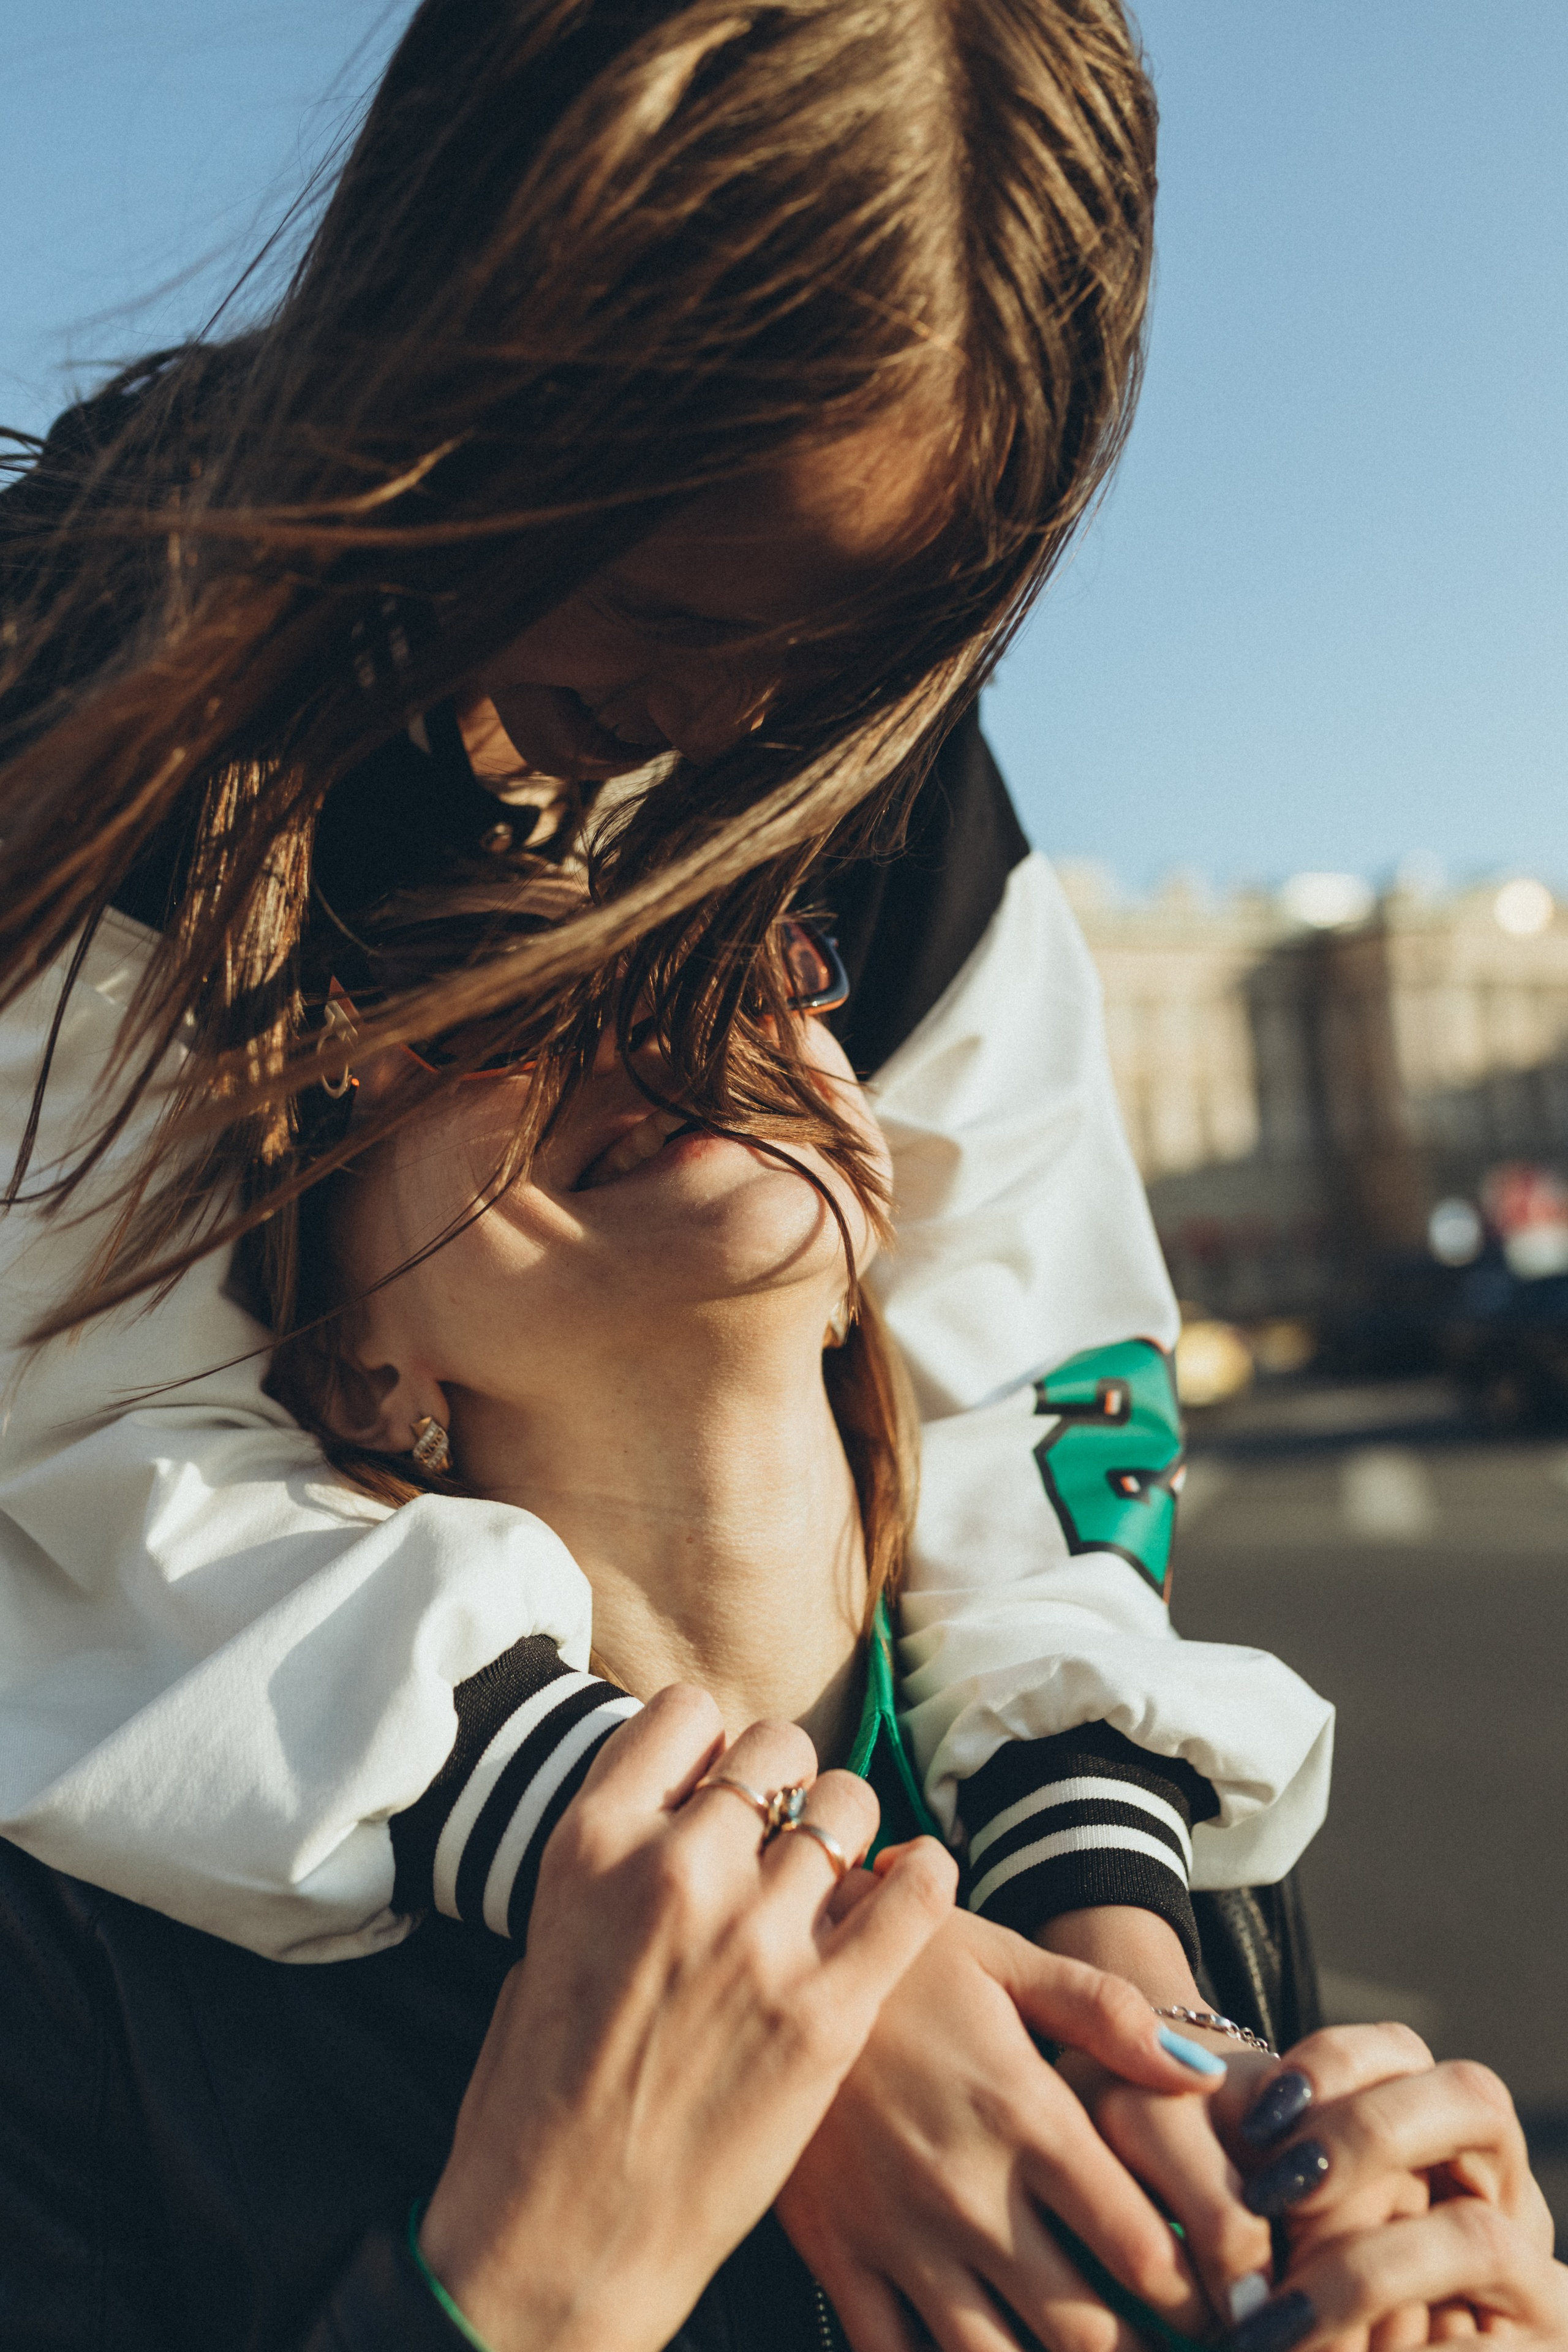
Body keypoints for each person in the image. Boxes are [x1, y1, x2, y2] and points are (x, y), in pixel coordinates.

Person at [0, 0, 1329, 2335]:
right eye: (682, 611)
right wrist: (780, 1959)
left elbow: (1027, 1355)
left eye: (861, 645)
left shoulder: (878, 753)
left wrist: (1144, 2039)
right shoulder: (76, 695)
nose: (739, 730)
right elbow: (72, 1461)